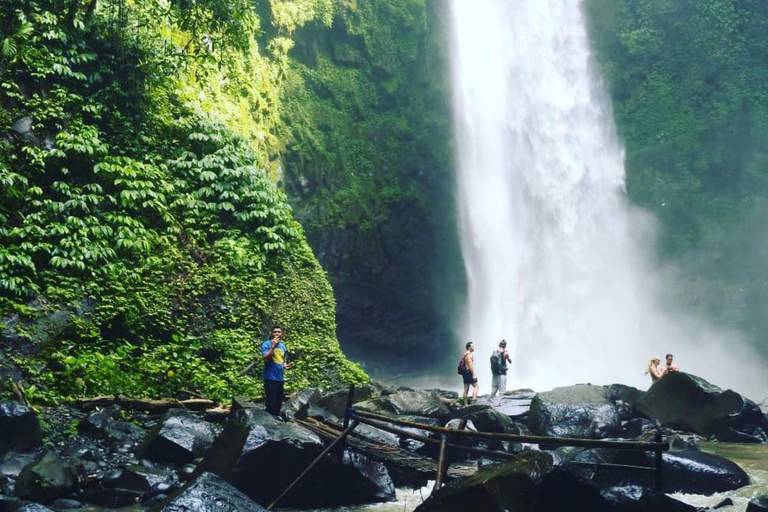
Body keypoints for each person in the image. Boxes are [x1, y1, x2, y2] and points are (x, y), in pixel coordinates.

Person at [261, 325, 293, 417]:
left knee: (279, 401)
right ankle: (269, 421)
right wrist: (273, 346)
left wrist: (285, 366)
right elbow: (265, 357)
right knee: (271, 400)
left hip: (280, 378)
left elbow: (280, 360)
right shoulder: (266, 344)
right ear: (271, 334)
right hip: (270, 377)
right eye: (275, 332)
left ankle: (277, 419)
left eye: (279, 332)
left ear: (282, 334)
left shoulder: (283, 346)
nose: (277, 334)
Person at [461, 342, 478, 406]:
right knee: (476, 386)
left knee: (466, 389)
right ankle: (474, 401)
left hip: (465, 373)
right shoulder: (469, 355)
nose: (474, 347)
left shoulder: (465, 354)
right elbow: (470, 366)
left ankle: (465, 404)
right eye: (472, 346)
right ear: (469, 347)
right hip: (469, 373)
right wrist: (473, 375)